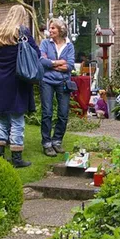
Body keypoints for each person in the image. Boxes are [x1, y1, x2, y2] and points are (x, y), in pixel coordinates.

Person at [0, 5, 37, 168]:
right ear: (22, 16)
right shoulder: (22, 32)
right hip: (17, 79)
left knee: (3, 117)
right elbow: (35, 52)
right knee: (17, 120)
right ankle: (17, 158)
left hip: (1, 79)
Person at [39, 17, 75, 156]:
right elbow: (42, 61)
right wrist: (59, 63)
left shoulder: (69, 46)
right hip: (47, 81)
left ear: (61, 30)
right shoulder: (45, 43)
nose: (50, 30)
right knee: (47, 112)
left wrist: (52, 64)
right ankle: (47, 143)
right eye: (50, 28)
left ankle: (57, 141)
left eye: (53, 28)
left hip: (63, 82)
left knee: (63, 113)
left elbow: (70, 65)